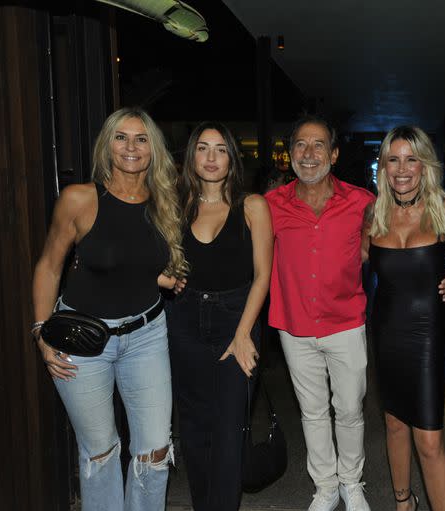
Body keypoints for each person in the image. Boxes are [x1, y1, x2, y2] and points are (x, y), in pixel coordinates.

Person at [31, 107, 187, 510]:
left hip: (147, 337)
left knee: (154, 452)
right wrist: (41, 331)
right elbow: (49, 266)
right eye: (121, 137)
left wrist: (163, 277)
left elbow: (132, 259)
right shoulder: (79, 199)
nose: (131, 147)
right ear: (107, 145)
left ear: (153, 149)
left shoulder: (165, 201)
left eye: (141, 139)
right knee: (100, 452)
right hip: (83, 340)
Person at [265, 115, 376, 511]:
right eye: (300, 145)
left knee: (349, 410)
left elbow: (390, 239)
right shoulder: (271, 205)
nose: (308, 154)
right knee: (312, 413)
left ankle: (351, 482)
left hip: (346, 323)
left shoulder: (362, 201)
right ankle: (326, 486)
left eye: (317, 146)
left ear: (333, 153)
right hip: (293, 326)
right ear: (290, 152)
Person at [166, 122, 272, 510]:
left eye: (220, 149)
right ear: (191, 156)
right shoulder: (175, 206)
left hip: (235, 318)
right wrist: (163, 276)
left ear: (232, 157)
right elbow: (149, 258)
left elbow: (263, 276)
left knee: (229, 430)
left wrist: (244, 333)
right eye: (203, 149)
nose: (211, 158)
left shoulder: (252, 206)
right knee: (194, 428)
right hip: (184, 319)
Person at [368, 126, 445, 511]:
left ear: (425, 165)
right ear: (384, 167)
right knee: (393, 425)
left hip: (427, 335)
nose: (402, 168)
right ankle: (403, 503)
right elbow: (350, 263)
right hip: (386, 332)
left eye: (412, 159)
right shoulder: (373, 214)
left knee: (428, 439)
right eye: (394, 159)